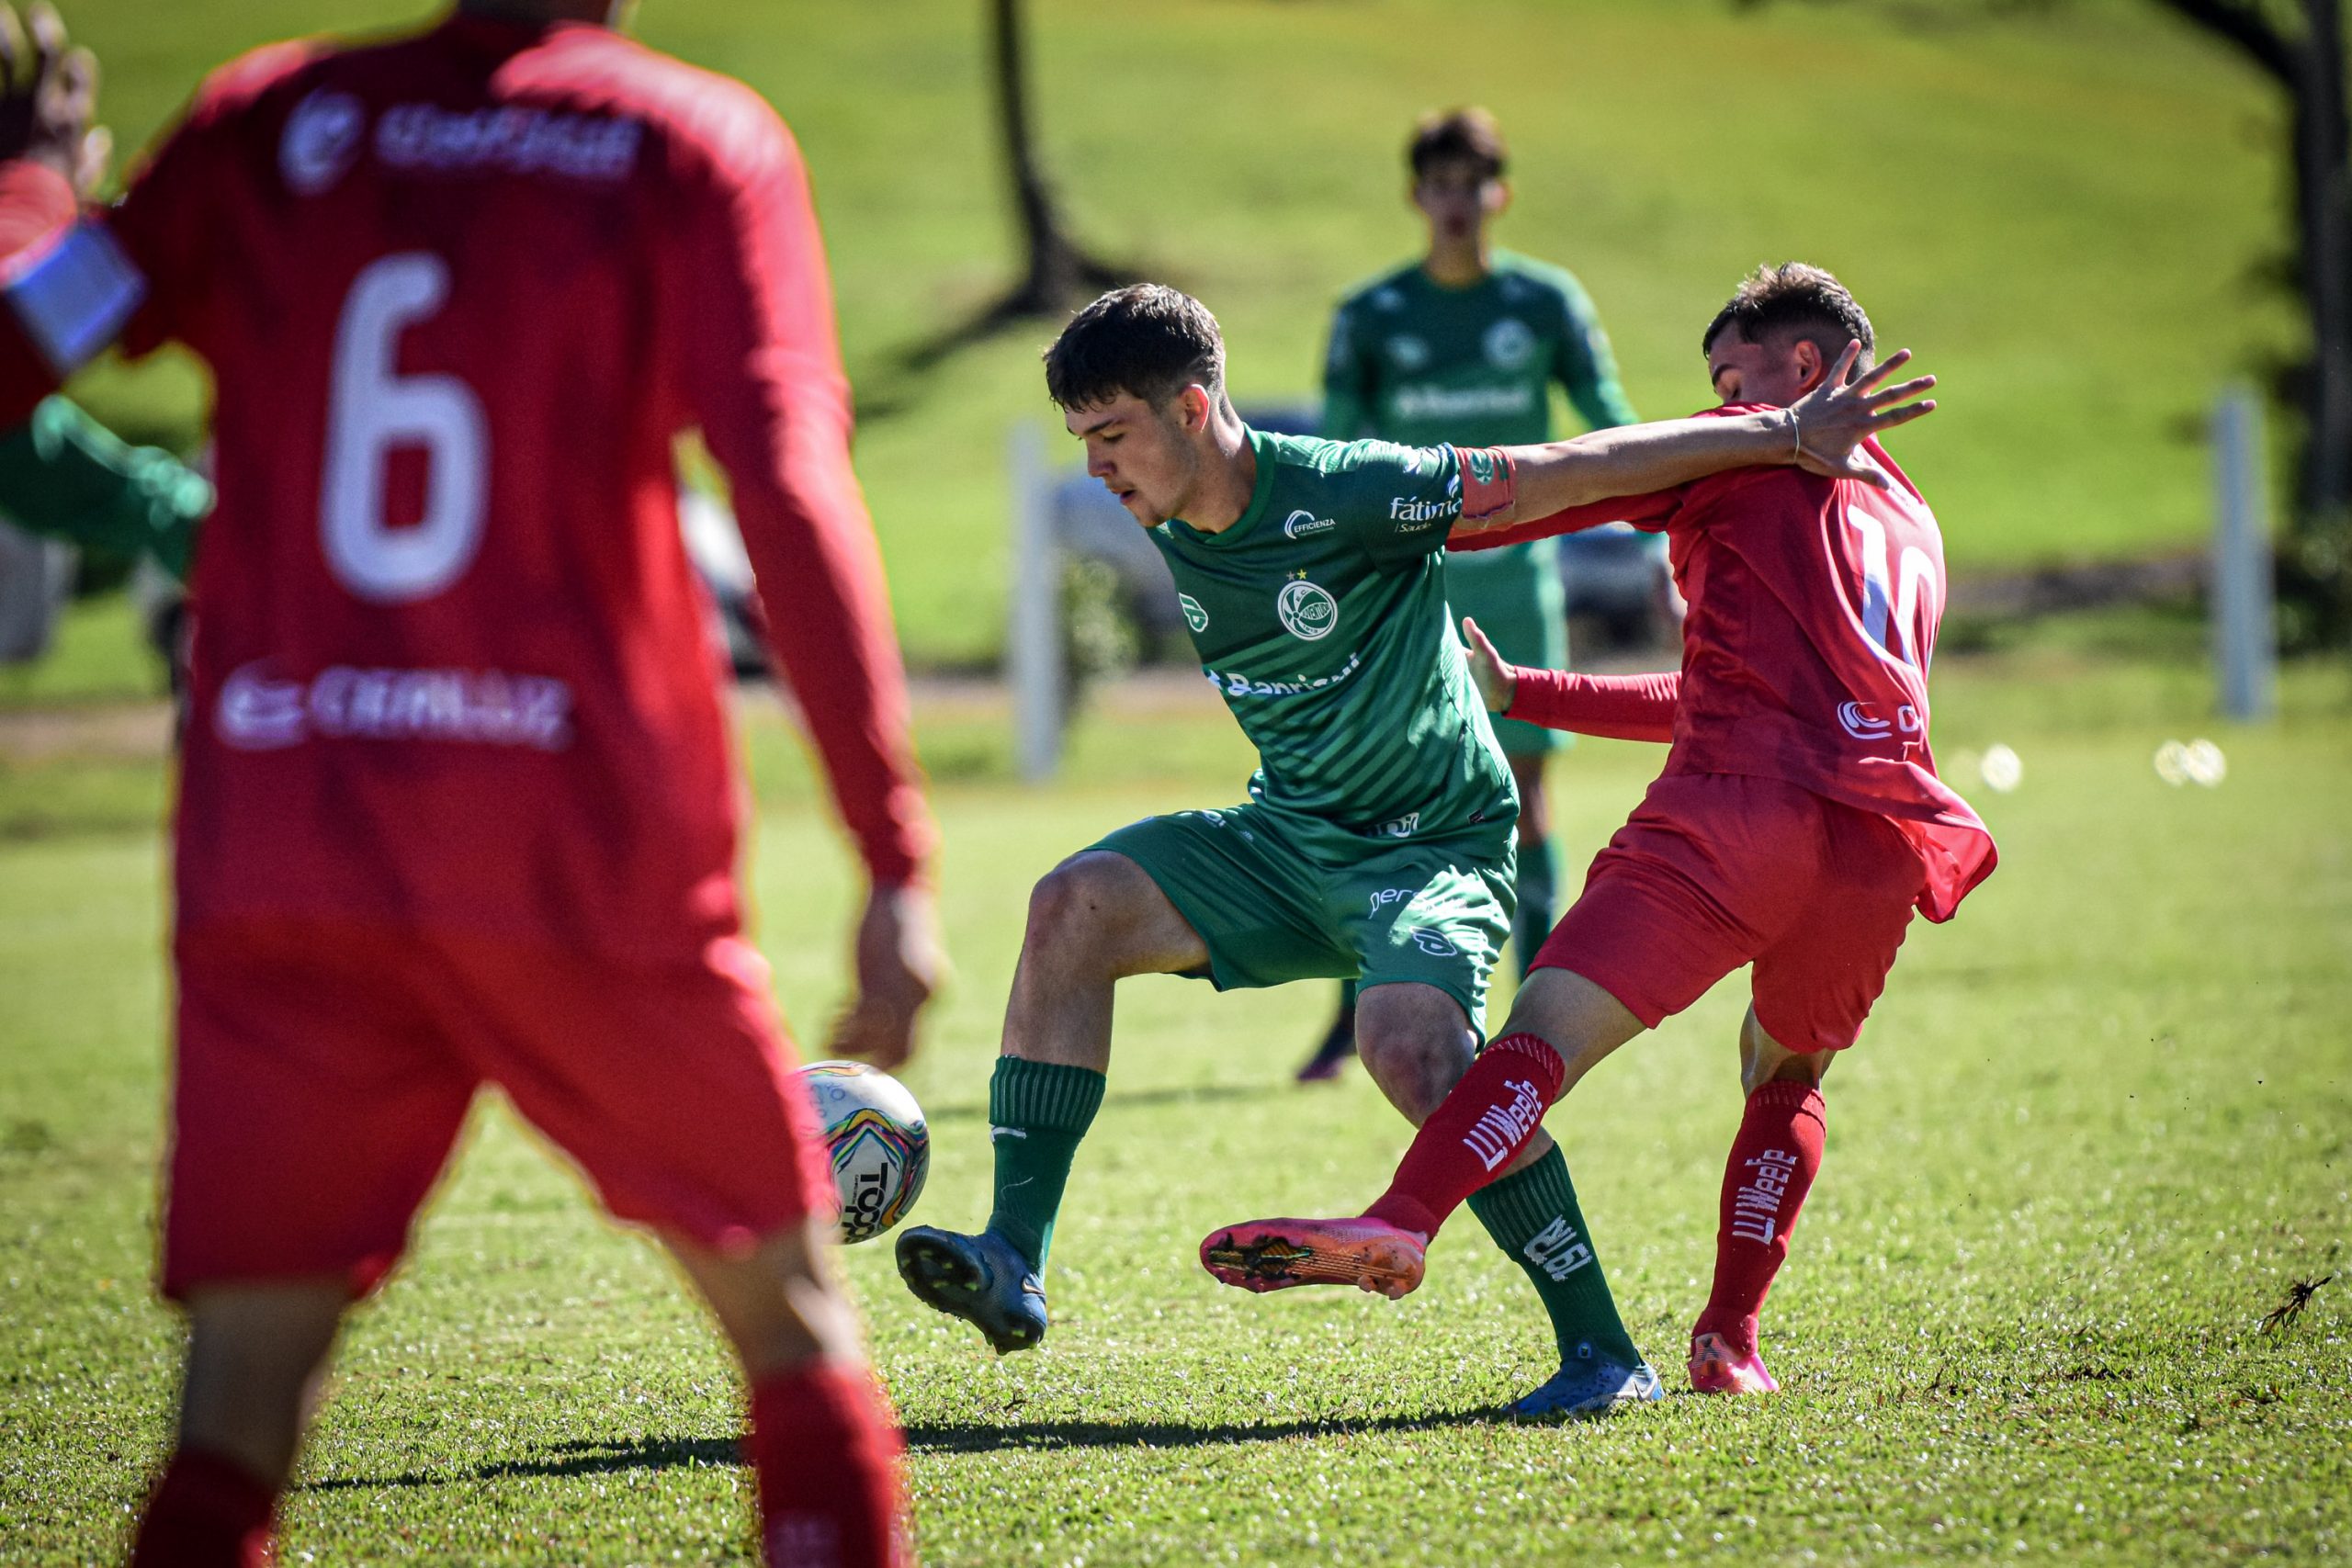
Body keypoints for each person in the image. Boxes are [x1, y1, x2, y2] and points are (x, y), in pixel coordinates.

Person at [0, 1, 944, 1561]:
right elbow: (786, 479)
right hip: (573, 841)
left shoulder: (264, 121)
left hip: (293, 833)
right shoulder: (691, 141)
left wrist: (30, 187)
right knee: (791, 1330)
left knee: (237, 1403)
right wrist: (891, 853)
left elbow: (31, 339)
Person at [891, 281, 1933, 1416]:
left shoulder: (1345, 489)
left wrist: (1779, 435)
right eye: (1081, 441)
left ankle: (1600, 1351)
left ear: (1193, 409)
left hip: (1430, 849)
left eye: (1111, 436)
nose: (1095, 468)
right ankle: (1013, 1256)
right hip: (1286, 835)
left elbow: (1548, 474)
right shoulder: (1170, 510)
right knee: (1073, 903)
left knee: (1415, 1053)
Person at [1201, 264, 1992, 1409]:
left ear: (1803, 371)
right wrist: (1523, 688)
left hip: (1736, 813)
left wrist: (1370, 518)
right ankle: (1730, 1342)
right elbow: (1741, 688)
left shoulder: (1746, 445)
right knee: (1786, 1072)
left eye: (1731, 377)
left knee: (1543, 1037)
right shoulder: (1911, 519)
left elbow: (1543, 493)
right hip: (1881, 836)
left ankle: (1402, 1219)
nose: (1715, 402)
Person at [1298, 107, 1641, 1084]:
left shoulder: (1542, 303)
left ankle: (1543, 1015)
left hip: (1517, 588)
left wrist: (1680, 496)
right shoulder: (1370, 316)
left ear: (1500, 193)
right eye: (1438, 185)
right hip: (1406, 596)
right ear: (1416, 196)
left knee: (1526, 796)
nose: (1456, 204)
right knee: (1379, 802)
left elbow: (1607, 419)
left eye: (1472, 184)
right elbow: (1332, 454)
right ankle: (1352, 1014)